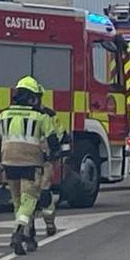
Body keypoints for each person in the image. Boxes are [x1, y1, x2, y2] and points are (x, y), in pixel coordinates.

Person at [0, 76, 61, 256]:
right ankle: (18, 232)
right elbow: (53, 141)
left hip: (8, 163)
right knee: (30, 199)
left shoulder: (4, 115)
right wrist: (53, 154)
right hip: (31, 163)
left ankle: (29, 235)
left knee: (18, 201)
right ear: (33, 98)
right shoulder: (41, 117)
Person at [35, 84, 71, 237]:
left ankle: (48, 223)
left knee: (42, 192)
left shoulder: (48, 114)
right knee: (37, 193)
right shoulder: (46, 114)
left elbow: (60, 134)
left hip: (43, 161)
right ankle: (35, 226)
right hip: (38, 161)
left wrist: (63, 150)